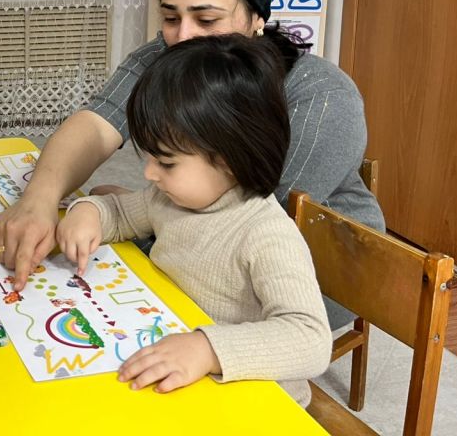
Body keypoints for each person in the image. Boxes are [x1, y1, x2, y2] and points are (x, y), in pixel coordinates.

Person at [0, 0, 383, 327]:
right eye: (171, 17)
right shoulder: (170, 56)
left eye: (207, 19)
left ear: (256, 19)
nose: (183, 37)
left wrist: (141, 210)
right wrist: (39, 199)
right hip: (196, 245)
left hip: (308, 281)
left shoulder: (321, 95)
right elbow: (95, 124)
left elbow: (244, 220)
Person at [56, 34, 332, 405]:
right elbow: (120, 214)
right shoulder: (169, 199)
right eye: (149, 157)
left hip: (253, 400)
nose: (149, 174)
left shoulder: (265, 233)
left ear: (230, 160)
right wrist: (88, 212)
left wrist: (207, 349)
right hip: (176, 361)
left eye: (166, 162)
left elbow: (311, 339)